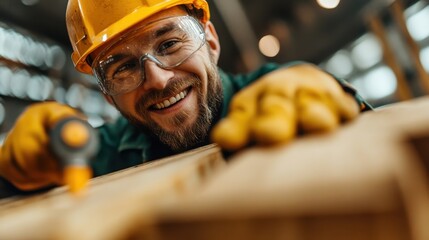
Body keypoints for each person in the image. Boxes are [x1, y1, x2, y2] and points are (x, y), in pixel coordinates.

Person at [0, 0, 371, 193]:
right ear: (108, 95)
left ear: (210, 40)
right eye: (123, 68)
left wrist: (349, 105)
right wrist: (17, 174)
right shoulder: (100, 153)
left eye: (170, 43)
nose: (158, 80)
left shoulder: (279, 96)